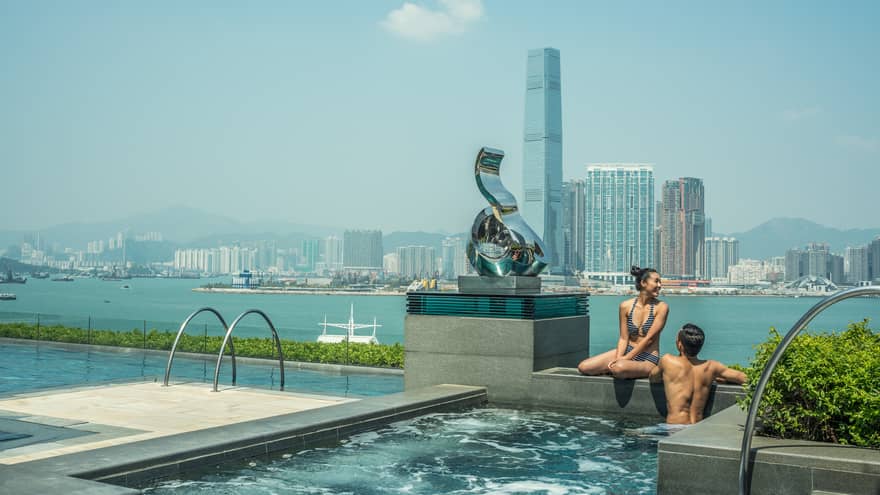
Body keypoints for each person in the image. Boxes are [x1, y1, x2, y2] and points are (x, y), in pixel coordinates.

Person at [577, 266, 669, 379]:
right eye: (656, 281)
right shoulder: (625, 306)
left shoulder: (661, 307)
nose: (660, 285)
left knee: (618, 368)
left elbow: (649, 339)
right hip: (627, 351)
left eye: (660, 282)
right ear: (643, 283)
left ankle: (621, 369)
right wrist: (619, 357)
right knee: (584, 367)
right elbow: (624, 338)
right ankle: (621, 369)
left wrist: (624, 359)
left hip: (648, 357)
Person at [648, 323, 747, 425]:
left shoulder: (668, 361)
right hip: (696, 428)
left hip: (675, 428)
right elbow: (743, 378)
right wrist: (724, 380)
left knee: (639, 434)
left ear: (680, 345)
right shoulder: (711, 367)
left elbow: (652, 377)